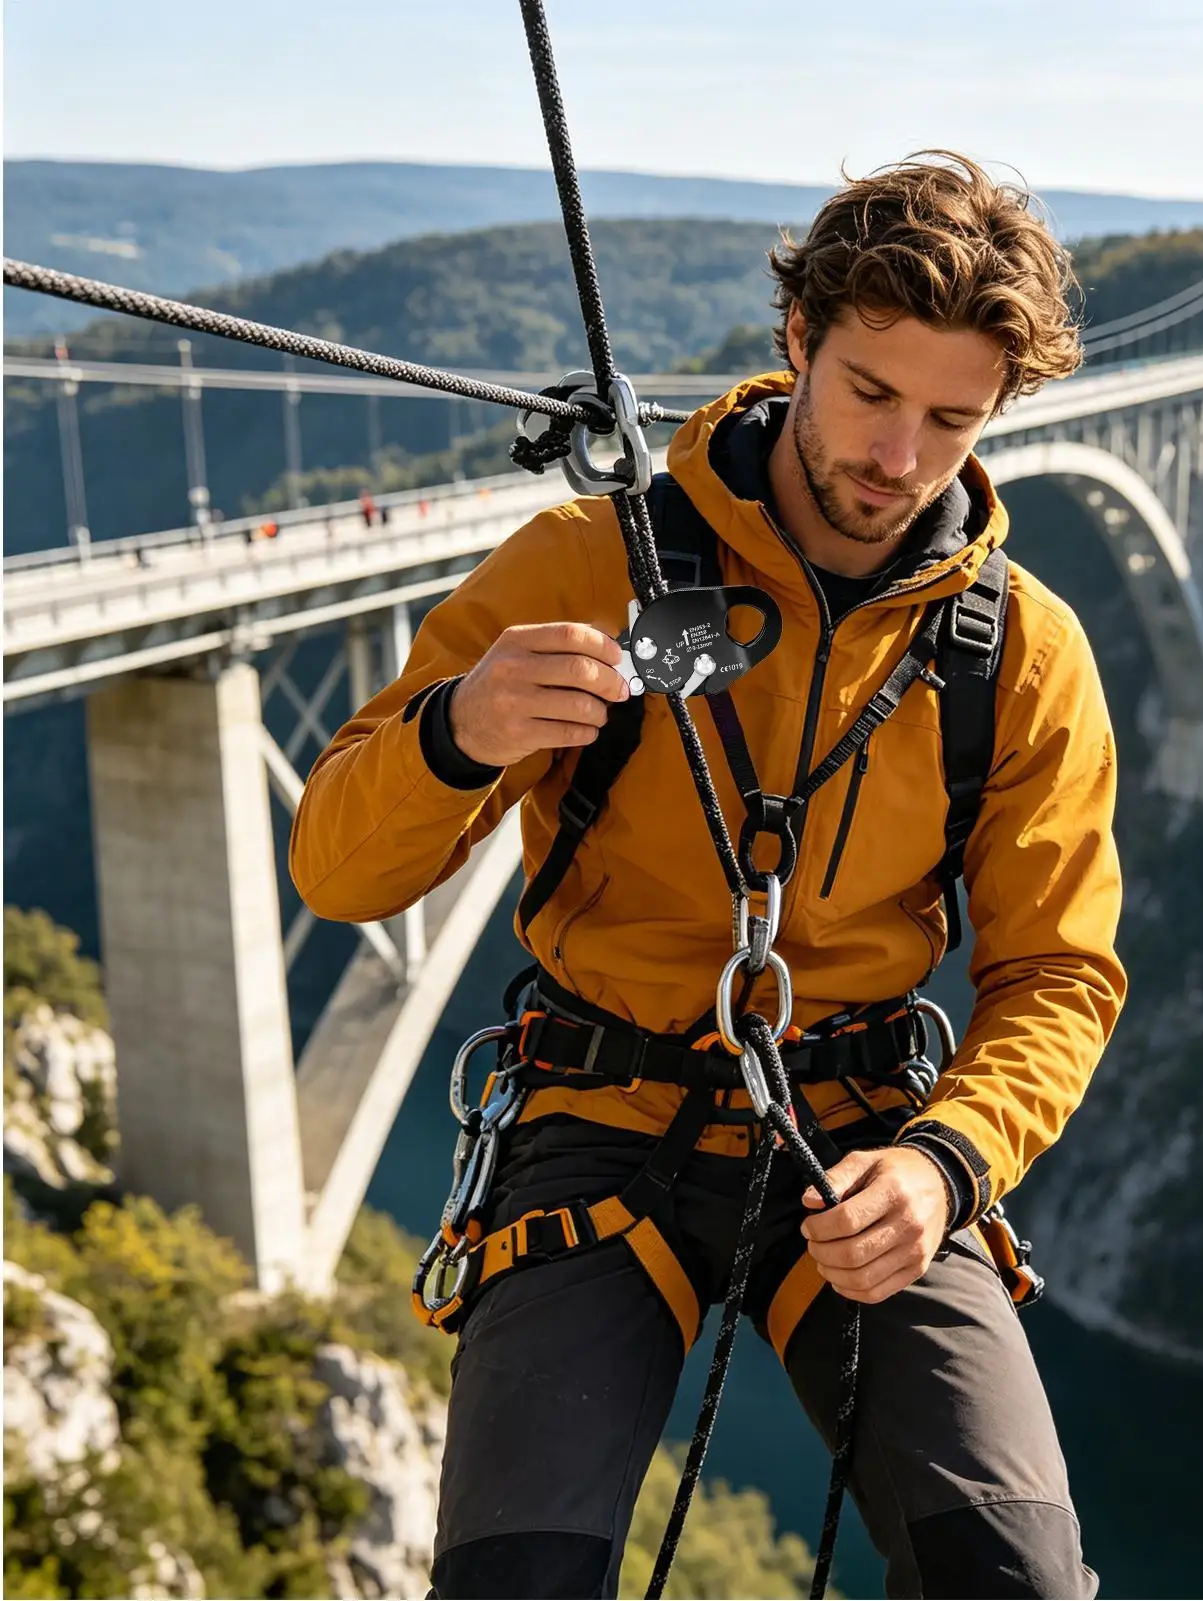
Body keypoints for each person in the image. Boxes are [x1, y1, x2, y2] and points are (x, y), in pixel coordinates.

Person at [289, 151, 1126, 1601]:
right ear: (796, 339)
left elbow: (1059, 972)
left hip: (865, 1132)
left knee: (1018, 1581)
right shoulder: (580, 565)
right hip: (599, 1117)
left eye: (952, 419)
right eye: (870, 392)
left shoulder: (1019, 652)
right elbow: (341, 870)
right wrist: (458, 733)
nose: (901, 457)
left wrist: (949, 1162)